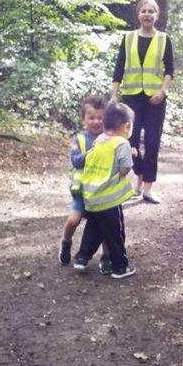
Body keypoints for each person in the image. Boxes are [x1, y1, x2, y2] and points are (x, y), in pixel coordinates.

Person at [110, 0, 174, 205]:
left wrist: (163, 92)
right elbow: (119, 67)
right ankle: (138, 179)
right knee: (131, 140)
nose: (147, 14)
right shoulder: (128, 38)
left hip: (155, 98)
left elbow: (170, 70)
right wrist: (114, 95)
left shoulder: (164, 39)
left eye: (151, 11)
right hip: (131, 96)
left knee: (153, 142)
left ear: (157, 15)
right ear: (138, 15)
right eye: (144, 11)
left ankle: (148, 188)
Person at [71, 103, 138, 279]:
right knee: (115, 233)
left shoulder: (100, 139)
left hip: (92, 196)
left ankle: (81, 258)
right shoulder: (121, 143)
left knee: (94, 230)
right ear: (127, 126)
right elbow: (125, 168)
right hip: (109, 200)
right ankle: (120, 267)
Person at [60, 95, 112, 272]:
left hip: (102, 192)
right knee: (74, 220)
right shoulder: (80, 139)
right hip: (82, 192)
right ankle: (66, 242)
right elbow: (75, 161)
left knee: (104, 225)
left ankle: (107, 256)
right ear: (84, 119)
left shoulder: (110, 138)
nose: (96, 121)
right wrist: (91, 152)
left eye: (100, 117)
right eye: (91, 117)